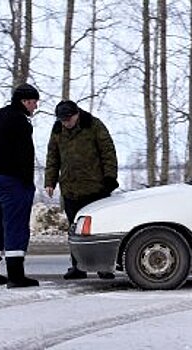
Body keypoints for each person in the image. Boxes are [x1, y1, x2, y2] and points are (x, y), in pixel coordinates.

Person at [44, 100, 119, 280]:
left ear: (76, 114)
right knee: (74, 231)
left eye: (68, 119)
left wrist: (110, 179)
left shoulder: (93, 125)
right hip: (70, 189)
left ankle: (104, 267)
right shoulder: (57, 130)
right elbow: (53, 156)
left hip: (96, 188)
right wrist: (50, 181)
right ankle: (78, 267)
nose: (66, 123)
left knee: (100, 230)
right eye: (62, 120)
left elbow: (108, 152)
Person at [0, 83, 40, 288]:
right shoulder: (20, 121)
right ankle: (16, 275)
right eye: (34, 103)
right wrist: (27, 182)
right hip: (13, 179)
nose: (35, 107)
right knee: (15, 225)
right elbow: (24, 155)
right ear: (25, 101)